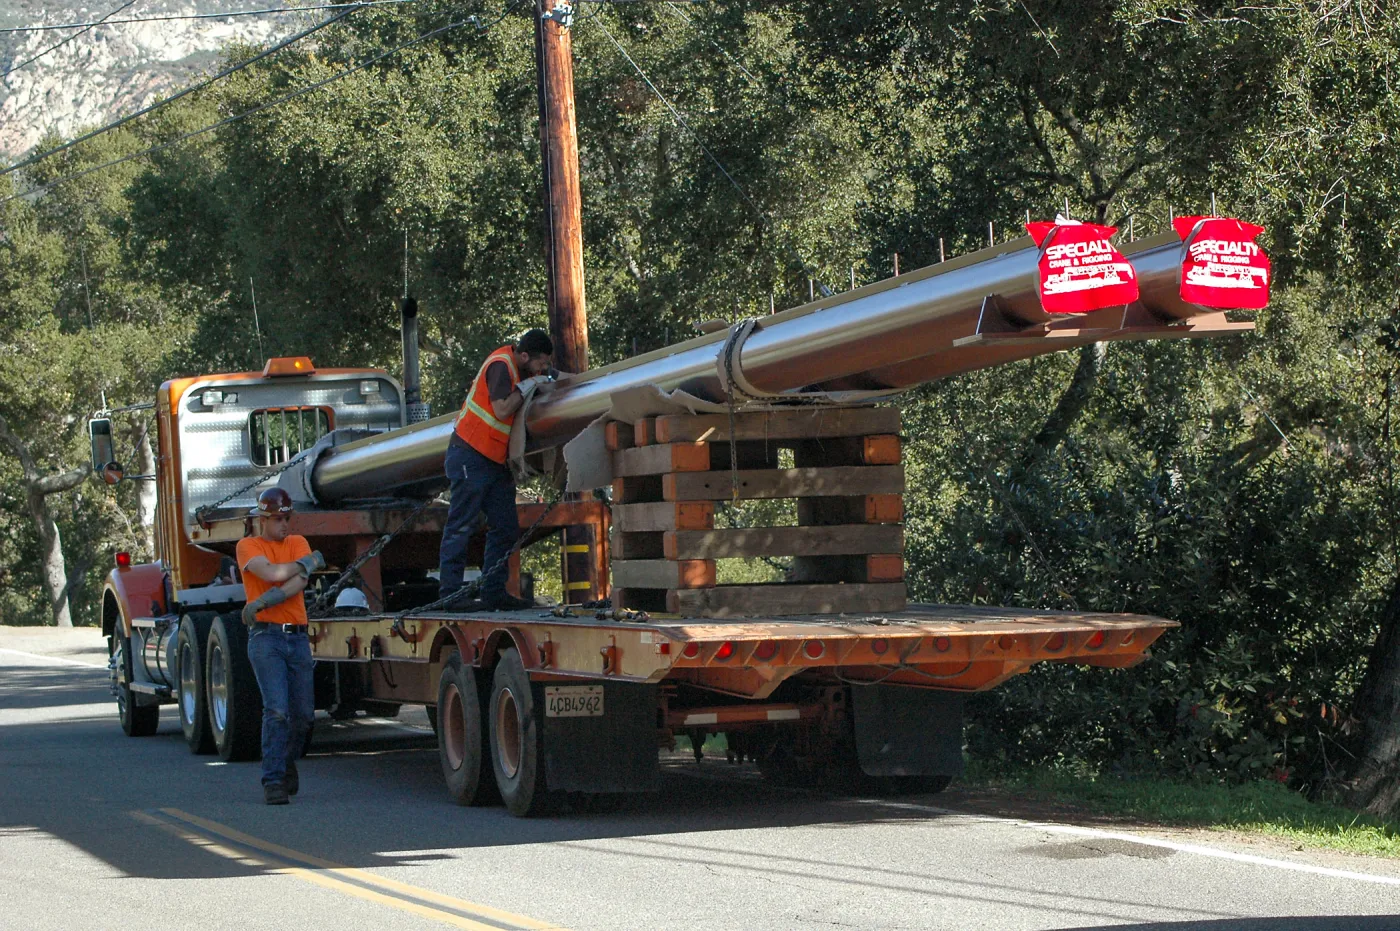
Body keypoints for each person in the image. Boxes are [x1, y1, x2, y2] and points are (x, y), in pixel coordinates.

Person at [438, 328, 558, 610]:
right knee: (461, 526)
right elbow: (502, 409)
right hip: (469, 455)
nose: (542, 370)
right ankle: (450, 594)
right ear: (525, 356)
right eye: (540, 364)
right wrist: (527, 387)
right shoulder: (501, 365)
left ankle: (494, 592)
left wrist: (546, 380)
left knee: (505, 527)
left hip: (493, 461)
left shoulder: (520, 369)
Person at [238, 487, 325, 805]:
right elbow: (271, 573)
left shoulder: (297, 542)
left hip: (297, 637)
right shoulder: (248, 546)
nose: (285, 524)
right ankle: (273, 781)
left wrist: (265, 599)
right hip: (266, 637)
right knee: (276, 710)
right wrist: (306, 564)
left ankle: (285, 761)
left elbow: (297, 583)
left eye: (287, 518)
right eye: (278, 519)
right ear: (263, 520)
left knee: (303, 716)